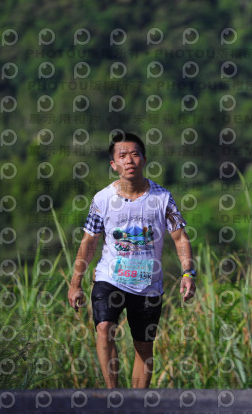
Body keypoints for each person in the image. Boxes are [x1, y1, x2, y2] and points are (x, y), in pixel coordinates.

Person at [67, 132, 195, 388]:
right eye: (122, 156)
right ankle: (113, 395)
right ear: (113, 164)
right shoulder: (102, 199)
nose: (129, 160)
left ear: (144, 160)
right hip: (109, 278)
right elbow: (89, 242)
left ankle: (136, 403)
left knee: (143, 346)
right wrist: (75, 283)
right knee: (104, 327)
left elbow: (180, 237)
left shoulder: (162, 198)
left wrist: (187, 273)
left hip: (148, 284)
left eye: (135, 154)